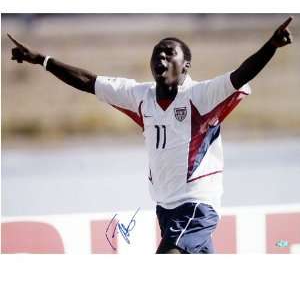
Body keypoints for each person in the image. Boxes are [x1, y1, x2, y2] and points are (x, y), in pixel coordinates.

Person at [8, 16, 293, 254]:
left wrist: (271, 46)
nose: (161, 56)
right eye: (157, 52)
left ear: (186, 66)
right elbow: (88, 81)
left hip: (196, 205)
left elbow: (242, 74)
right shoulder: (140, 96)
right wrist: (42, 60)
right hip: (166, 209)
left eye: (170, 52)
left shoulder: (200, 96)